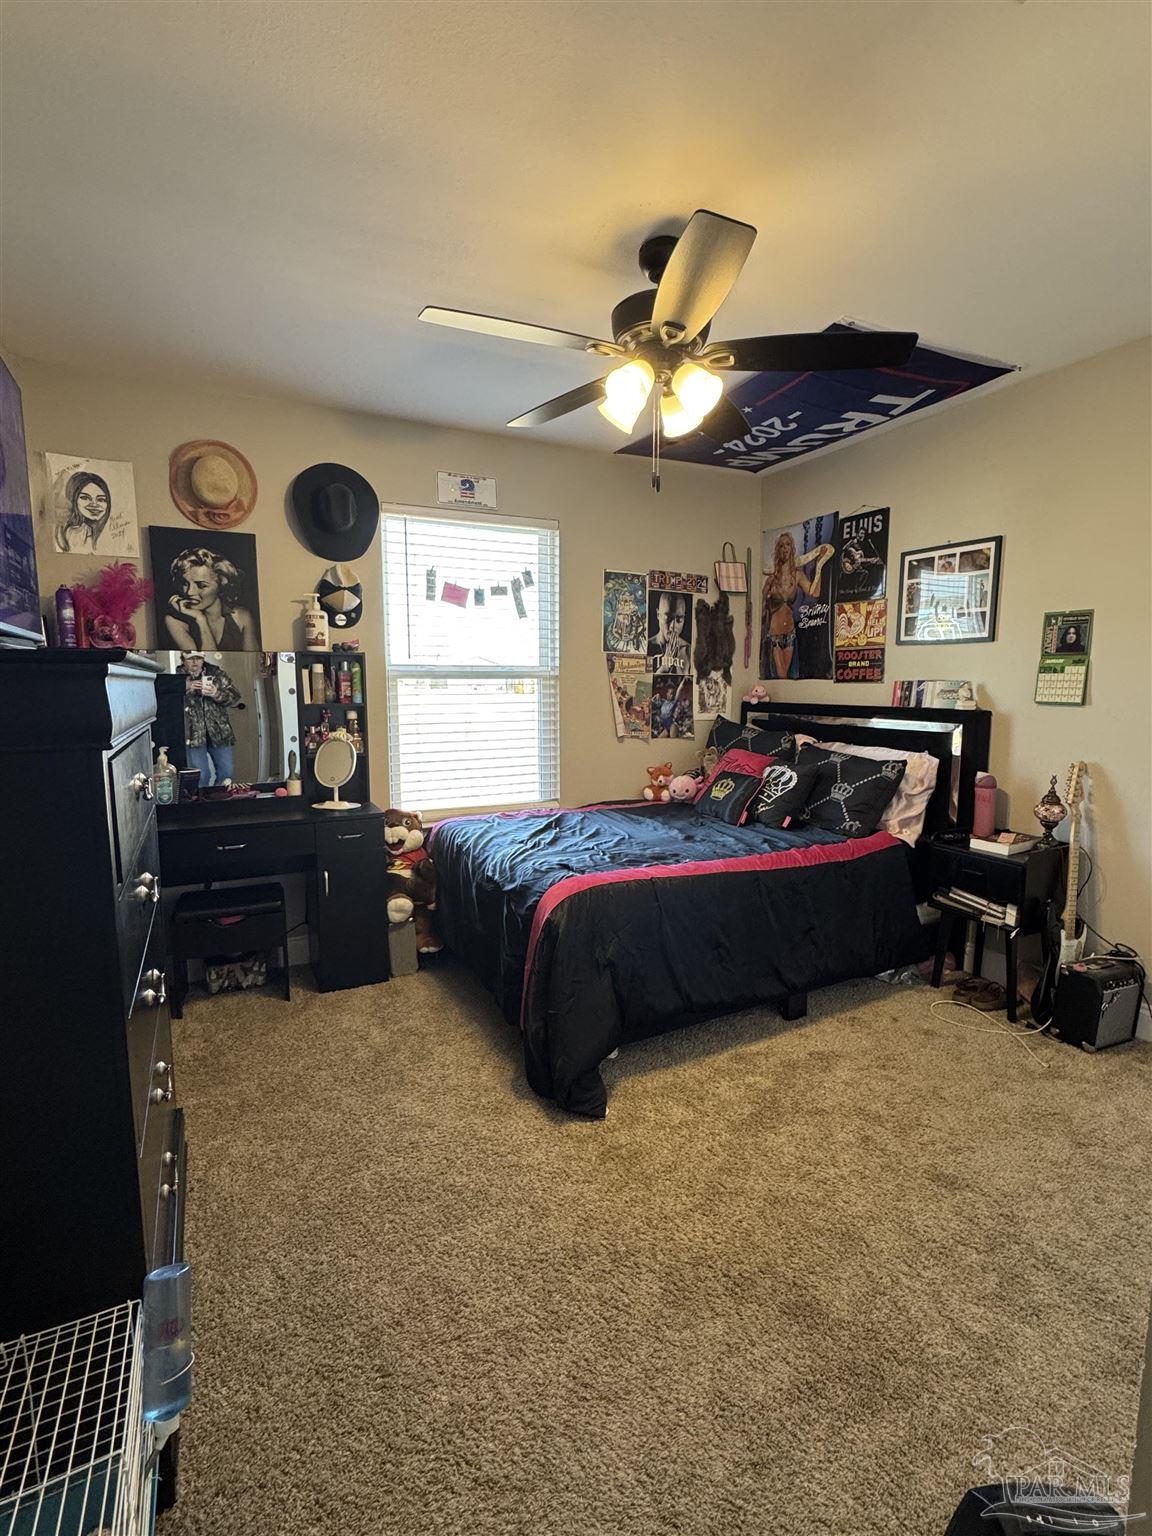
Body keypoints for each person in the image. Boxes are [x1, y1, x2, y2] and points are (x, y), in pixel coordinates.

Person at [760, 530, 835, 679]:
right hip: (774, 635)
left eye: (788, 544)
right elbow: (762, 605)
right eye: (781, 545)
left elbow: (814, 592)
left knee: (787, 678)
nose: (785, 548)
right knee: (781, 676)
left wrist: (819, 566)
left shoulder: (798, 575)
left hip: (790, 634)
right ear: (778, 550)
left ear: (792, 548)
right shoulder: (771, 578)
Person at [165, 546, 258, 651]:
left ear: (221, 584)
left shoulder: (242, 617)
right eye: (185, 584)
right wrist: (201, 620)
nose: (189, 592)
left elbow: (252, 658)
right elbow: (205, 659)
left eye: (201, 585)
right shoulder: (175, 621)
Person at [180, 653, 242, 785]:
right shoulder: (177, 677)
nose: (195, 662)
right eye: (190, 659)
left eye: (198, 658)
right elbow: (168, 703)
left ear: (203, 659)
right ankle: (201, 799)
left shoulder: (217, 674)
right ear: (183, 659)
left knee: (227, 774)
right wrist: (185, 688)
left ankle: (219, 797)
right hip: (192, 734)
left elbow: (235, 696)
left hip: (219, 732)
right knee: (201, 777)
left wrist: (216, 693)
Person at [54, 470, 113, 553]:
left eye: (101, 499)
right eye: (85, 498)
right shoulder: (75, 532)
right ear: (73, 498)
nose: (94, 504)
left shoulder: (91, 530)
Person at [649, 592, 690, 674]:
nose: (673, 626)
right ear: (658, 615)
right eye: (668, 618)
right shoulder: (647, 647)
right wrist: (665, 666)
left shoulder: (688, 650)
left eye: (679, 620)